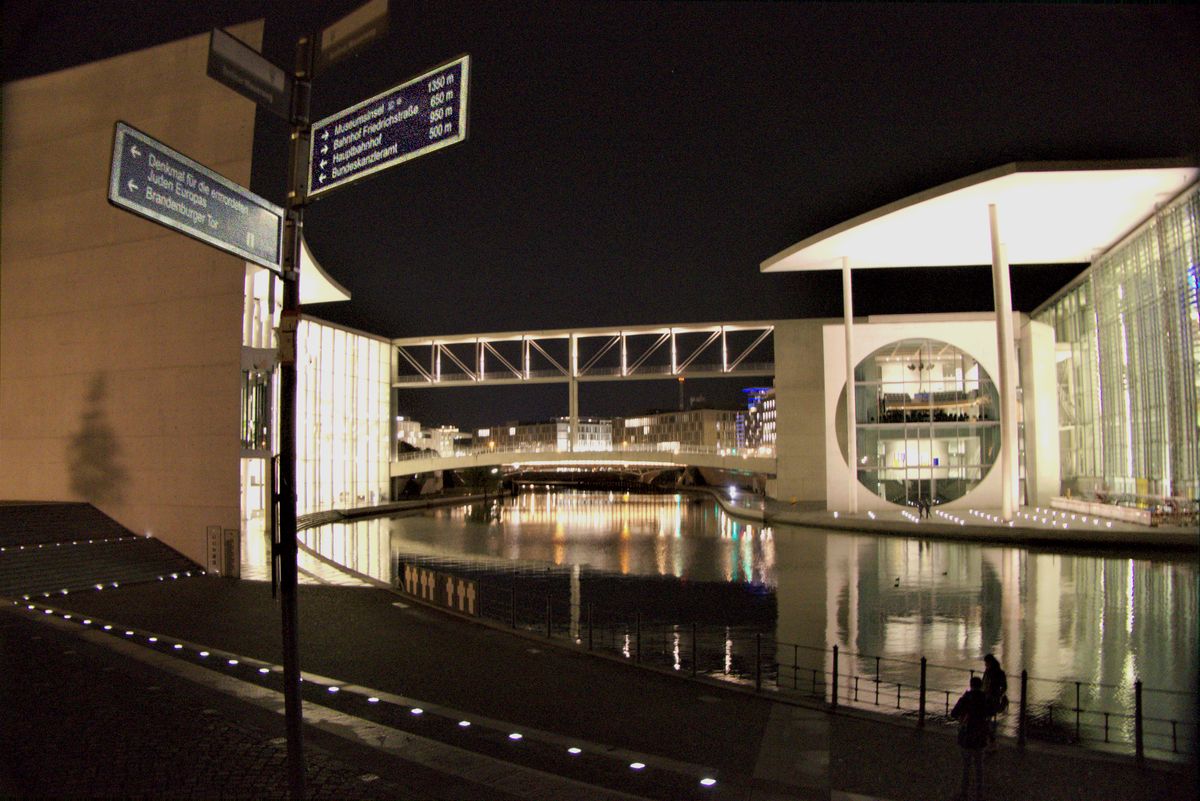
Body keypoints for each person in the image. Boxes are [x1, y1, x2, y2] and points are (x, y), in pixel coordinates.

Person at [951, 675, 992, 801]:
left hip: (967, 736)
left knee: (966, 766)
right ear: (981, 686)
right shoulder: (985, 699)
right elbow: (990, 712)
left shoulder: (966, 699)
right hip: (980, 736)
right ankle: (979, 794)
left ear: (970, 685)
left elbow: (953, 713)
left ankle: (964, 793)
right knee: (979, 766)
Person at [982, 654, 1008, 750]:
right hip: (991, 699)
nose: (985, 665)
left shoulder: (989, 672)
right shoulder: (998, 672)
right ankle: (990, 741)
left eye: (986, 663)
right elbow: (1004, 687)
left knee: (985, 721)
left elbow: (984, 685)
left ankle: (991, 741)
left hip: (989, 700)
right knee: (986, 721)